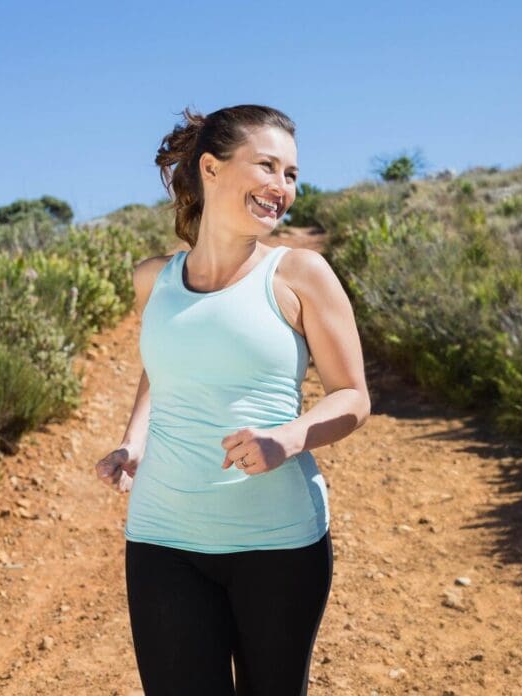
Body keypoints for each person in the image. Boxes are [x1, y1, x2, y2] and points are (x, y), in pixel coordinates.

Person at [93, 104, 370, 695]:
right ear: (212, 169)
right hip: (162, 539)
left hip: (277, 543)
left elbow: (352, 396)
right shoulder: (154, 280)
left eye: (291, 174)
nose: (282, 187)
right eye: (267, 166)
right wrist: (132, 441)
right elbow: (162, 367)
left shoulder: (300, 274)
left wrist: (289, 437)